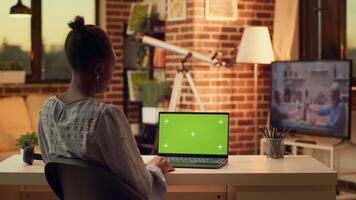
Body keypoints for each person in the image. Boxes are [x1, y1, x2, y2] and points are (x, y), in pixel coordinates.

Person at [38, 16, 174, 199]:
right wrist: (156, 167)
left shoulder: (47, 111)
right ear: (99, 69)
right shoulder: (105, 116)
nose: (112, 75)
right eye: (113, 67)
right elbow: (144, 189)